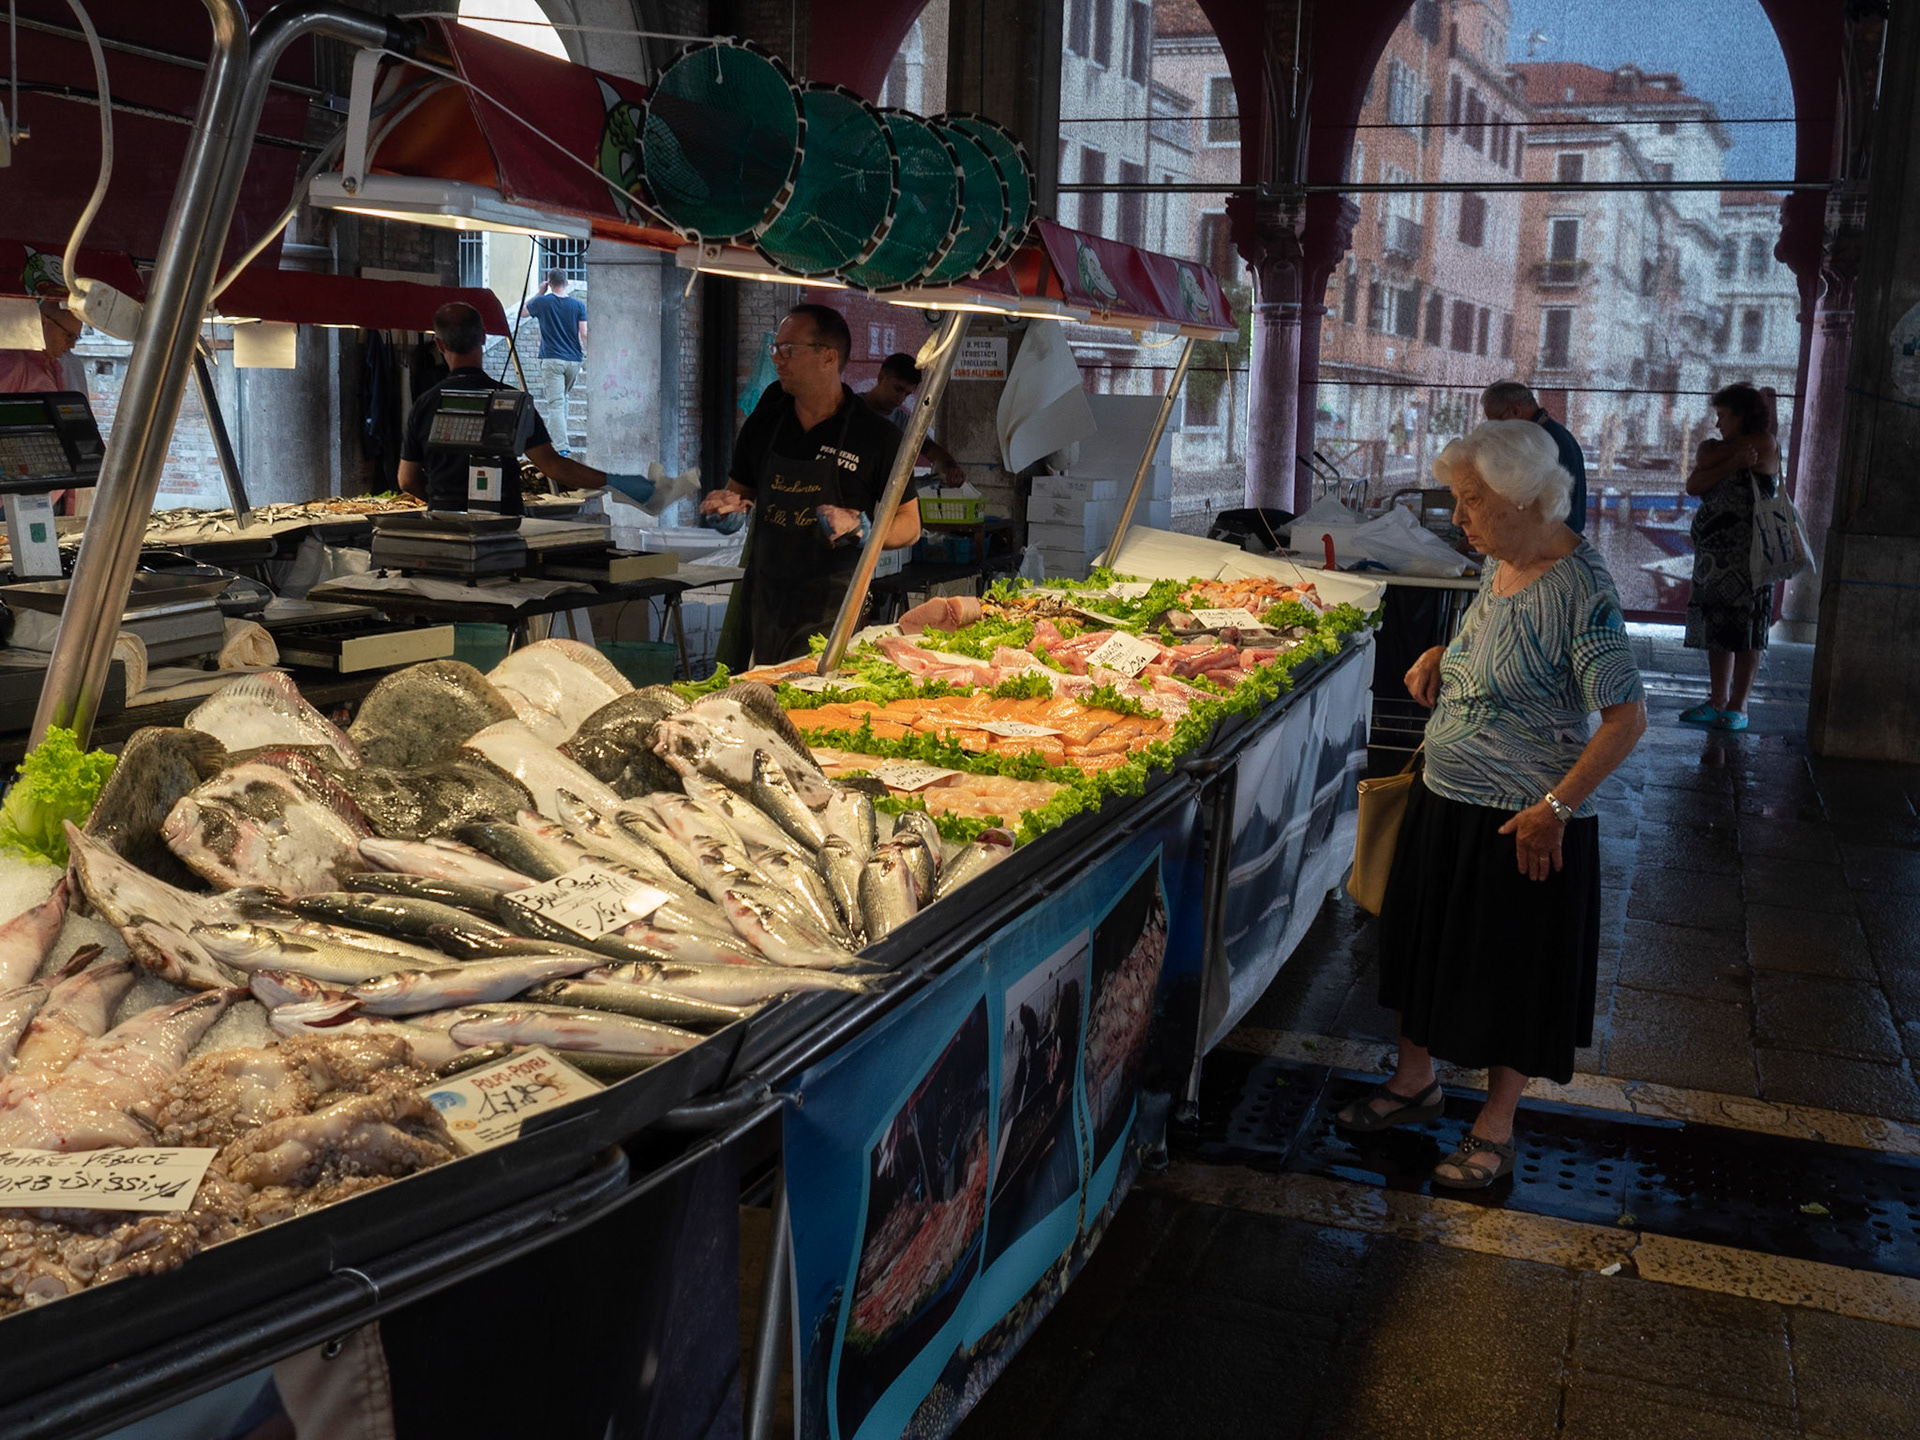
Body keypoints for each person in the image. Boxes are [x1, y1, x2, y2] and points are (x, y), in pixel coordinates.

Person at [1335, 420, 1647, 1189]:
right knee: (1420, 948)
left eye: (1471, 502)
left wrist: (1556, 808)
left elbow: (1626, 718)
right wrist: (1447, 654)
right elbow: (1499, 642)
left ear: (1522, 499)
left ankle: (1495, 1126)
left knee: (1509, 973)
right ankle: (1416, 1083)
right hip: (1445, 799)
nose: (1460, 518)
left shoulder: (1582, 587)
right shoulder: (1501, 563)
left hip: (1519, 820)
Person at [702, 303, 920, 666]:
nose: (777, 359)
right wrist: (726, 511)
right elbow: (738, 493)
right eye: (776, 348)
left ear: (828, 358)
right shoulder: (765, 424)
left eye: (789, 350)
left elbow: (911, 525)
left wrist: (866, 530)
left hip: (834, 608)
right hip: (764, 600)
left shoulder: (877, 436)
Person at [398, 302, 689, 516]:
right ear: (484, 337)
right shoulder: (512, 402)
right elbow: (553, 465)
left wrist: (443, 502)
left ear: (438, 344)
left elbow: (407, 479)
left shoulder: (424, 405)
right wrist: (615, 481)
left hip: (442, 528)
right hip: (502, 530)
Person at [1678, 382, 1780, 733]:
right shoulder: (1728, 449)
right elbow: (1695, 482)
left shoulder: (1764, 443)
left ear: (1743, 415)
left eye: (1723, 416)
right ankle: (1717, 699)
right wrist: (1734, 461)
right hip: (1715, 558)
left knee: (1748, 628)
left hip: (1751, 557)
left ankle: (1739, 704)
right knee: (1717, 629)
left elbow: (1706, 461)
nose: (1718, 425)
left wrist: (1720, 459)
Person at [1482, 380, 1588, 534]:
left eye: (1496, 423)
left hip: (1553, 539)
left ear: (1516, 411)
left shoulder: (1539, 442)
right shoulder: (1555, 432)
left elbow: (1529, 502)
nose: (1496, 431)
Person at [861, 352, 966, 487]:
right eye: (898, 389)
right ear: (881, 377)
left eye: (907, 394)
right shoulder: (850, 409)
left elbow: (931, 450)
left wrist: (951, 468)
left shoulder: (903, 422)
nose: (900, 398)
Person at [520, 270, 587, 454]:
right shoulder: (578, 305)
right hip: (574, 361)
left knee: (556, 403)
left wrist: (540, 292)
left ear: (549, 283)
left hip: (552, 359)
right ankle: (558, 439)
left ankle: (561, 447)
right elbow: (584, 333)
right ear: (566, 282)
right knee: (563, 399)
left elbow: (523, 313)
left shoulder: (542, 302)